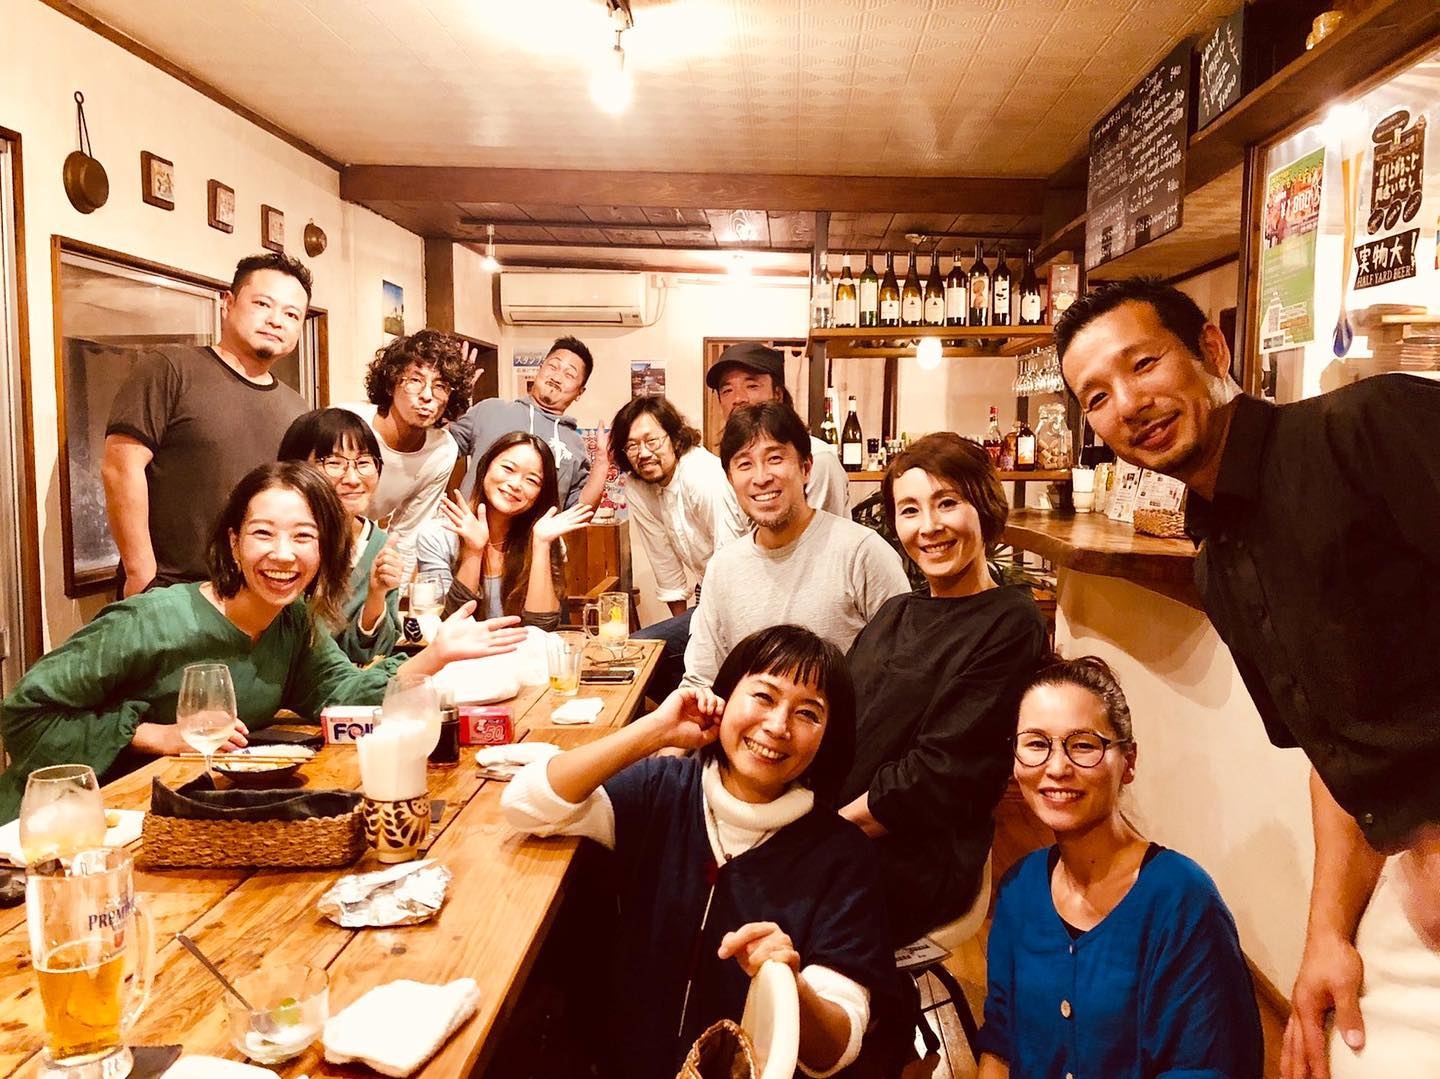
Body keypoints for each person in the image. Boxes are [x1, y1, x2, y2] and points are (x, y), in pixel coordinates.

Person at [1056, 277, 1440, 1078]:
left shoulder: (1364, 428)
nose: (1128, 404)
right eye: (1096, 396)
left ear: (1212, 348)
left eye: (1144, 363)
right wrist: (1326, 935)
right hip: (1407, 896)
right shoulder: (1219, 565)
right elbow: (1334, 756)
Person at [0, 462, 526, 820]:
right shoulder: (149, 621)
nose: (284, 554)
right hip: (58, 830)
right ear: (233, 542)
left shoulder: (291, 621)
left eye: (304, 536)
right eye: (262, 533)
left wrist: (436, 655)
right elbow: (23, 716)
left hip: (183, 821)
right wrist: (152, 735)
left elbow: (342, 695)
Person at [502, 625, 900, 1079]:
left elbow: (837, 1047)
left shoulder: (842, 857)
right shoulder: (660, 791)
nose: (777, 726)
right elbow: (526, 805)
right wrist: (655, 731)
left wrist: (790, 989)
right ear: (724, 698)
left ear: (829, 737)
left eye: (808, 713)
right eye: (764, 696)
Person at [977, 656, 1264, 1079]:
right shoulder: (1020, 888)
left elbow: (1205, 1066)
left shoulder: (1182, 901)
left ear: (1128, 762)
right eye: (1036, 744)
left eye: (1084, 745)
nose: (1057, 768)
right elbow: (1001, 1044)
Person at [838, 432, 1048, 944]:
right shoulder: (896, 612)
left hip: (910, 858)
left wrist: (819, 837)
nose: (928, 526)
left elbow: (938, 777)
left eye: (947, 503)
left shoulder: (1010, 622)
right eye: (909, 510)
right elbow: (835, 713)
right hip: (838, 831)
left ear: (983, 505)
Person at [102, 252, 311, 595]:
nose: (276, 321)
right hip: (172, 590)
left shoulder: (296, 407)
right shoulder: (170, 368)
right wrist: (141, 573)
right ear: (227, 303)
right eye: (263, 304)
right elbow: (120, 467)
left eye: (292, 314)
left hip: (259, 594)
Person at [682, 403, 908, 690]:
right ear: (730, 479)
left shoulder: (862, 553)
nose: (761, 477)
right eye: (745, 464)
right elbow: (701, 679)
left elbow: (905, 666)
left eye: (775, 458)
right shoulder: (723, 568)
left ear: (806, 468)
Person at [611, 395, 750, 699]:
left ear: (674, 438)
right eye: (632, 446)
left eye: (652, 441)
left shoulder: (701, 475)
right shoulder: (638, 486)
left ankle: (712, 708)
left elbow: (731, 557)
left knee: (645, 652)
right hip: (709, 595)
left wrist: (700, 633)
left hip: (744, 595)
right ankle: (700, 713)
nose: (643, 453)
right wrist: (682, 627)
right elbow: (664, 561)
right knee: (641, 657)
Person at [415, 432, 591, 630]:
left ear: (541, 494)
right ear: (485, 466)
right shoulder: (438, 535)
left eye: (532, 480)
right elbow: (445, 624)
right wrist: (474, 552)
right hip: (462, 649)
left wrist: (541, 545)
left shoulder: (545, 537)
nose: (515, 485)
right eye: (508, 469)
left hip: (524, 648)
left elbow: (542, 628)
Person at [277, 408, 404, 663]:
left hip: (345, 683)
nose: (353, 479)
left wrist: (376, 595)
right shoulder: (282, 543)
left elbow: (374, 653)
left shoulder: (380, 545)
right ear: (295, 468)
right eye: (334, 463)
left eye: (364, 462)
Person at [342, 330, 474, 550]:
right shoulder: (347, 423)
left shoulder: (442, 450)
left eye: (440, 386)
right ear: (390, 384)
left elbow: (407, 534)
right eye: (415, 380)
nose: (427, 396)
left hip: (362, 546)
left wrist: (390, 573)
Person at [448, 336, 607, 509]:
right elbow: (439, 449)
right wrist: (450, 401)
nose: (557, 377)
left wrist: (602, 462)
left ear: (580, 392)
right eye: (553, 366)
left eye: (569, 374)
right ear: (539, 369)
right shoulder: (490, 409)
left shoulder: (575, 446)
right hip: (469, 524)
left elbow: (579, 510)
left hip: (538, 528)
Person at [707, 342, 848, 518]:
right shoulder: (732, 466)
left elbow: (821, 532)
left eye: (752, 386)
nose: (738, 399)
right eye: (727, 390)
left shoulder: (818, 460)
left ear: (778, 394)